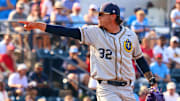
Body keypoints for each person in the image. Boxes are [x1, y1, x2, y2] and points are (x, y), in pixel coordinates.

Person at [19, 2, 158, 101]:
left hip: (127, 88)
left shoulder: (130, 35)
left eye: (102, 14)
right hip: (106, 88)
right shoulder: (94, 32)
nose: (98, 17)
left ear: (113, 16)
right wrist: (41, 26)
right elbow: (68, 32)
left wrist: (151, 80)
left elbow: (139, 58)